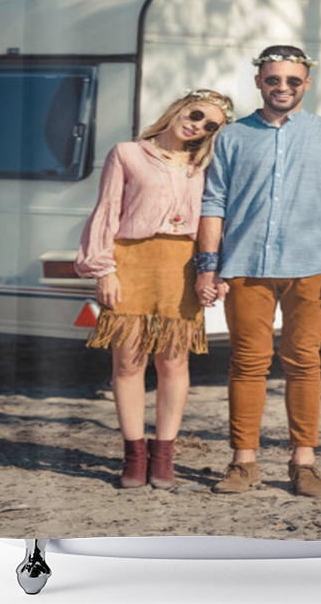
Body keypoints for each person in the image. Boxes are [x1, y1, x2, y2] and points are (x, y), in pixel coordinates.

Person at [196, 46, 321, 498]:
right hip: (246, 266)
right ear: (259, 82)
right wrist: (208, 266)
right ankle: (243, 462)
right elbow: (213, 202)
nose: (283, 88)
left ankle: (304, 464)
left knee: (304, 363)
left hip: (311, 267)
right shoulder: (232, 138)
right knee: (247, 364)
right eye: (273, 79)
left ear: (306, 84)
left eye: (293, 81)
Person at [75, 89, 234, 489]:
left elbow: (218, 220)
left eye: (210, 124)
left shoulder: (206, 166)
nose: (198, 124)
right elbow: (107, 211)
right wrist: (104, 270)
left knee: (173, 363)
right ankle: (134, 455)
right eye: (196, 114)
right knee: (128, 363)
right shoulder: (127, 153)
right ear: (180, 107)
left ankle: (163, 457)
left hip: (181, 265)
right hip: (129, 261)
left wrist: (215, 271)